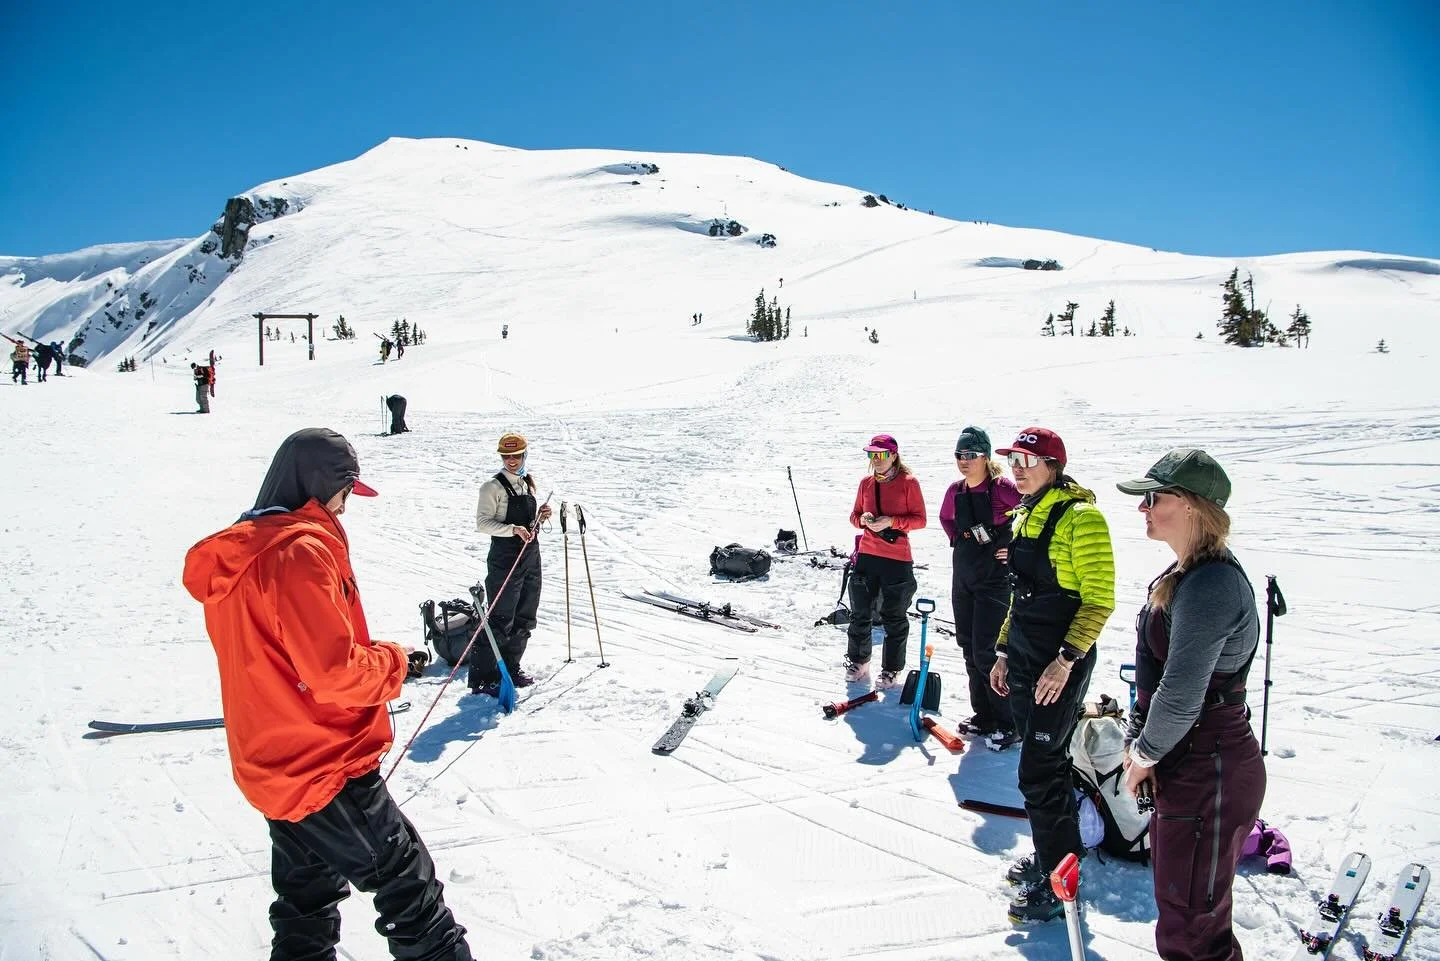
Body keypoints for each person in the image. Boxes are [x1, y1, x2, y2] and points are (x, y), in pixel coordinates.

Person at [182, 428, 473, 961]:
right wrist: (393, 662)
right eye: (344, 492)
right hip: (324, 765)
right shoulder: (298, 551)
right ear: (320, 486)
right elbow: (334, 672)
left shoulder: (242, 552)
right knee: (410, 893)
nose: (345, 507)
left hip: (274, 763)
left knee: (306, 902)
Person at [1117, 449, 1265, 961]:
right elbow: (1157, 682)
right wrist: (1145, 743)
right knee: (1188, 913)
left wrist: (1143, 756)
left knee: (1192, 928)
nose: (1144, 508)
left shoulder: (1213, 585)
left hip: (1211, 765)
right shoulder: (1185, 575)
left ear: (1194, 508)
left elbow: (1180, 695)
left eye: (1154, 498)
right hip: (1190, 761)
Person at [988, 426, 1114, 923]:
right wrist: (1002, 651)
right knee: (1044, 764)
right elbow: (1021, 598)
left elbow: (1099, 599)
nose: (1018, 468)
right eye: (1014, 459)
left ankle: (1061, 883)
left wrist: (1065, 661)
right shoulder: (1026, 514)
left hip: (1057, 662)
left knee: (1040, 769)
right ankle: (1056, 858)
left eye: (1028, 460)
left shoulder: (1082, 518)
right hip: (1023, 654)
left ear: (1054, 465)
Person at [937, 426, 1021, 745]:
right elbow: (947, 520)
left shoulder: (1001, 488)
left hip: (994, 581)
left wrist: (1013, 544)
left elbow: (1031, 511)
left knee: (989, 650)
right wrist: (960, 538)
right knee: (969, 648)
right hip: (964, 577)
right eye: (960, 455)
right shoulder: (955, 491)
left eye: (971, 455)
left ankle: (1008, 720)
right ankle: (984, 716)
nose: (964, 461)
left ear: (985, 456)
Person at [843, 434, 927, 688]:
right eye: (871, 455)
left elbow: (920, 520)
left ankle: (891, 669)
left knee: (894, 616)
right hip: (868, 554)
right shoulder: (866, 483)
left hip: (897, 557)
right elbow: (853, 516)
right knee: (860, 612)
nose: (876, 460)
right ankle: (859, 660)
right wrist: (864, 520)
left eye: (880, 455)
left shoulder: (908, 483)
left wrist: (891, 521)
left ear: (893, 455)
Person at [471, 431, 551, 694]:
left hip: (530, 556)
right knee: (500, 617)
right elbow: (483, 524)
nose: (511, 460)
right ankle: (484, 677)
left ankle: (511, 666)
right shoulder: (492, 487)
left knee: (525, 615)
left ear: (524, 454)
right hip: (505, 558)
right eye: (506, 456)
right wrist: (513, 529)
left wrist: (540, 517)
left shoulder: (526, 484)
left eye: (516, 455)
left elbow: (527, 523)